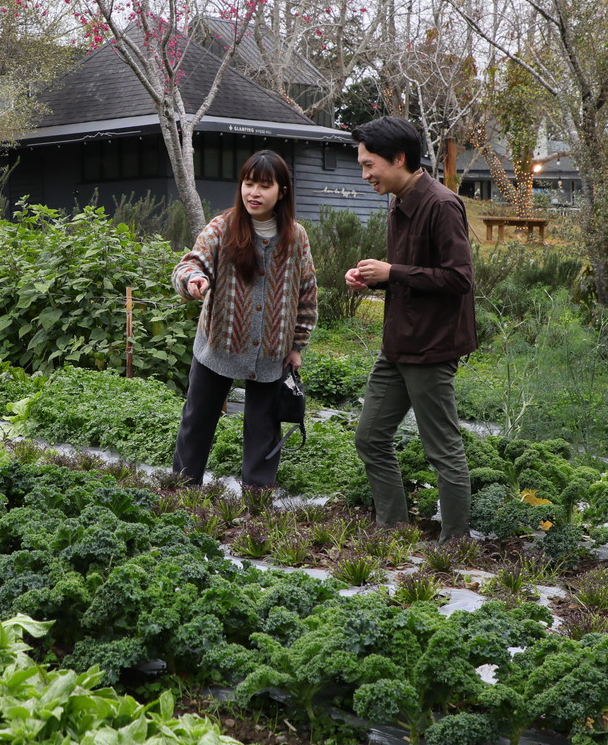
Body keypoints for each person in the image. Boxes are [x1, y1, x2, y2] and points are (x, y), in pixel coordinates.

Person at [345, 117, 476, 541]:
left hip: (432, 347)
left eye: (370, 165)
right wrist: (377, 276)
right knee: (369, 438)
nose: (365, 174)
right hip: (398, 343)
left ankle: (455, 546)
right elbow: (411, 274)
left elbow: (459, 279)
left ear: (399, 158)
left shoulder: (440, 204)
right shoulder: (399, 202)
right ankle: (393, 530)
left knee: (442, 451)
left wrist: (394, 271)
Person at [172, 150, 318, 491]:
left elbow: (307, 293)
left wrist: (297, 344)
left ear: (282, 191)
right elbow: (190, 262)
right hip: (218, 344)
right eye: (248, 183)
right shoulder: (222, 227)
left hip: (271, 351)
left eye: (264, 186)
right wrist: (193, 279)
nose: (254, 192)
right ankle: (182, 489)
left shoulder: (296, 237)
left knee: (264, 427)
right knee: (198, 420)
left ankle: (257, 496)